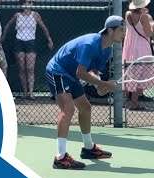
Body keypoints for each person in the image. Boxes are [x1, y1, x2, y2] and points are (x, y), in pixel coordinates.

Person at [46, 15, 126, 169]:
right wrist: (103, 83)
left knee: (85, 108)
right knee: (68, 110)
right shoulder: (90, 44)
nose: (124, 34)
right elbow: (81, 73)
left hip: (71, 75)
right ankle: (60, 158)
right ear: (110, 30)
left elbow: (93, 72)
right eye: (121, 30)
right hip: (58, 71)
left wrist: (100, 87)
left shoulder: (106, 50)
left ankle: (88, 149)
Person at [1, 0, 54, 100]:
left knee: (30, 68)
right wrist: (3, 36)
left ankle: (31, 92)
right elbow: (8, 25)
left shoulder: (35, 15)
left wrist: (49, 39)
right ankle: (25, 92)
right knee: (22, 67)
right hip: (19, 42)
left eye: (30, 2)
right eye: (26, 2)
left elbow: (43, 27)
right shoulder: (17, 15)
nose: (28, 4)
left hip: (31, 42)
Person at [122, 0, 154, 110]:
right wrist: (151, 23)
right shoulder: (144, 17)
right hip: (141, 46)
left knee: (129, 72)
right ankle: (134, 103)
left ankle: (122, 101)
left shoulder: (127, 14)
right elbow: (149, 33)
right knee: (139, 76)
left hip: (129, 46)